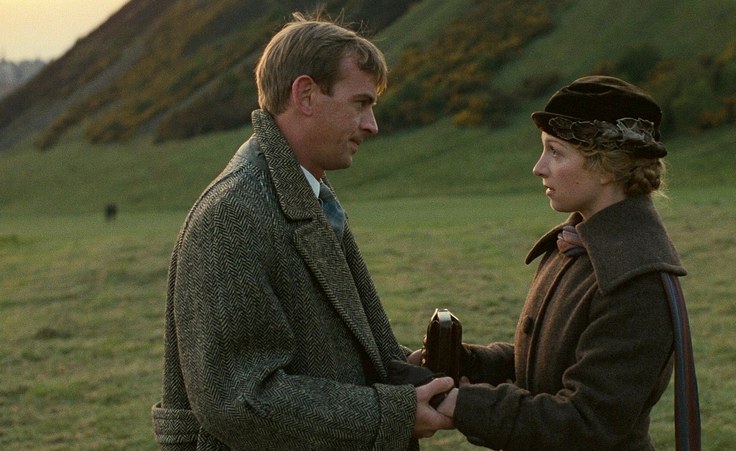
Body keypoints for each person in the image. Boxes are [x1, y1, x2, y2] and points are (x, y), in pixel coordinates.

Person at [151, 13, 454, 450]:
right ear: (306, 95)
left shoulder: (307, 194)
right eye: (360, 103)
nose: (372, 125)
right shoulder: (232, 216)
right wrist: (392, 413)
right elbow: (241, 399)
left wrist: (403, 371)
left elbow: (325, 353)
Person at [435, 75, 688, 450]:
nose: (539, 167)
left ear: (606, 166)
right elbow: (546, 369)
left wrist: (463, 405)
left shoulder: (635, 279)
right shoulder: (574, 246)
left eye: (556, 152)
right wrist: (464, 364)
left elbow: (586, 422)